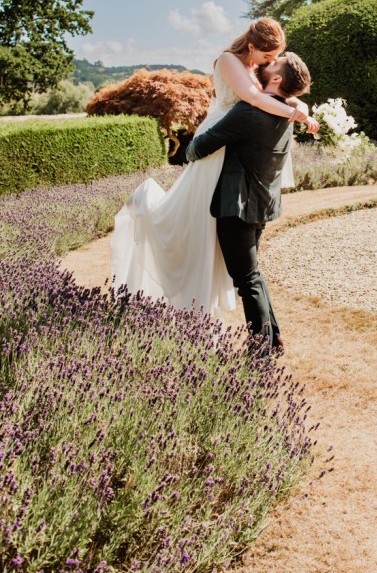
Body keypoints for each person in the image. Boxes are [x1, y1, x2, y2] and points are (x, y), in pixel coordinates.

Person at [110, 18, 318, 314]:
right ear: (251, 46)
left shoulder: (257, 69)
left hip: (236, 140)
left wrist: (302, 109)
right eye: (267, 56)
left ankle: (218, 297)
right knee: (197, 217)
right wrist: (294, 114)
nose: (270, 62)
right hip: (220, 135)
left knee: (226, 240)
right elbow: (254, 98)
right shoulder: (228, 60)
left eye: (275, 58)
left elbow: (284, 93)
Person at [186, 51, 313, 353]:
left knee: (246, 280)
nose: (266, 64)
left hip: (237, 207)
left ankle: (261, 349)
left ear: (277, 78)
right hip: (261, 205)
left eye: (273, 64)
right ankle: (274, 337)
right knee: (252, 274)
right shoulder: (286, 113)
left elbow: (201, 148)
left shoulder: (249, 113)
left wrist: (189, 148)